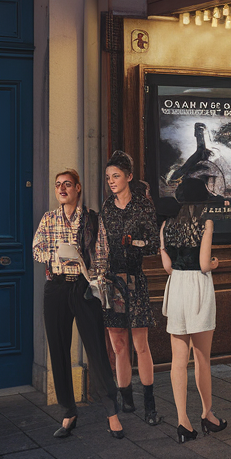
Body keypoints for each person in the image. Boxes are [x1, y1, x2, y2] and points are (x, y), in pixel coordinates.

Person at [32, 169, 125, 439]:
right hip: (57, 288)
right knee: (58, 350)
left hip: (85, 288)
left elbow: (104, 253)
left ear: (78, 188)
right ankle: (68, 412)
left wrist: (94, 275)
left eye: (67, 185)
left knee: (96, 350)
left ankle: (112, 412)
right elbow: (37, 248)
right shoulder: (49, 219)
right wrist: (58, 253)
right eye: (58, 185)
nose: (62, 189)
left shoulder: (93, 219)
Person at [159, 178, 224, 443]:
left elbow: (167, 266)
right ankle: (207, 414)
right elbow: (204, 263)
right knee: (202, 358)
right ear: (201, 203)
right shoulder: (205, 223)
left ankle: (183, 422)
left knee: (178, 361)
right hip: (198, 287)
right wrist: (215, 263)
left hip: (176, 288)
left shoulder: (166, 225)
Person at [100, 151, 161, 426]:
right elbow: (101, 246)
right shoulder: (106, 208)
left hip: (135, 280)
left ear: (129, 177)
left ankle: (150, 404)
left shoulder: (143, 206)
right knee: (119, 344)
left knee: (141, 344)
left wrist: (133, 243)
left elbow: (151, 244)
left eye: (116, 176)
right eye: (108, 177)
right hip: (113, 281)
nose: (112, 181)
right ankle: (127, 398)